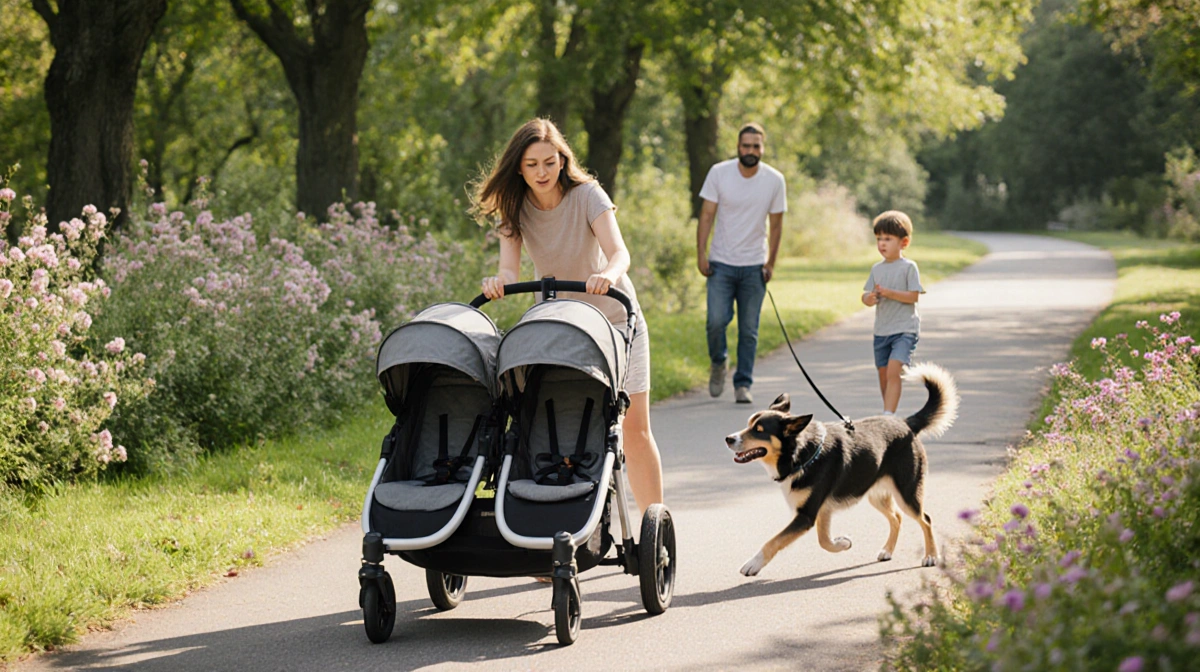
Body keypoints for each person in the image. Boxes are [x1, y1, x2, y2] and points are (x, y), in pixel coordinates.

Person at [476, 118, 663, 513]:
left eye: (549, 162)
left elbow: (619, 253)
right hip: (562, 327)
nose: (541, 172)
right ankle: (558, 526)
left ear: (562, 160)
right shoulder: (514, 208)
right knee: (559, 427)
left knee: (633, 428)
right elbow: (510, 270)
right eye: (531, 165)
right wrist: (499, 282)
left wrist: (608, 275)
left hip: (614, 319)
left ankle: (654, 526)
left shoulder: (587, 194)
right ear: (519, 168)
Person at [696, 122, 787, 404]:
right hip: (721, 263)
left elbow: (776, 226)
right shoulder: (719, 173)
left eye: (756, 146)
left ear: (763, 148)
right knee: (715, 321)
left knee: (749, 330)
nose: (750, 150)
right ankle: (718, 362)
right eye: (746, 145)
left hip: (754, 266)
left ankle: (743, 384)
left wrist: (770, 262)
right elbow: (707, 216)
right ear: (738, 147)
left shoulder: (774, 180)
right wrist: (701, 253)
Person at [860, 210, 925, 415]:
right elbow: (865, 296)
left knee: (893, 371)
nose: (882, 244)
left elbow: (913, 296)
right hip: (881, 331)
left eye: (888, 239)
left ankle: (888, 414)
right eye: (879, 239)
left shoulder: (909, 267)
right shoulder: (876, 269)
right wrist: (869, 299)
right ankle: (889, 415)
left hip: (904, 329)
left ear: (903, 243)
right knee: (883, 375)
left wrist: (889, 292)